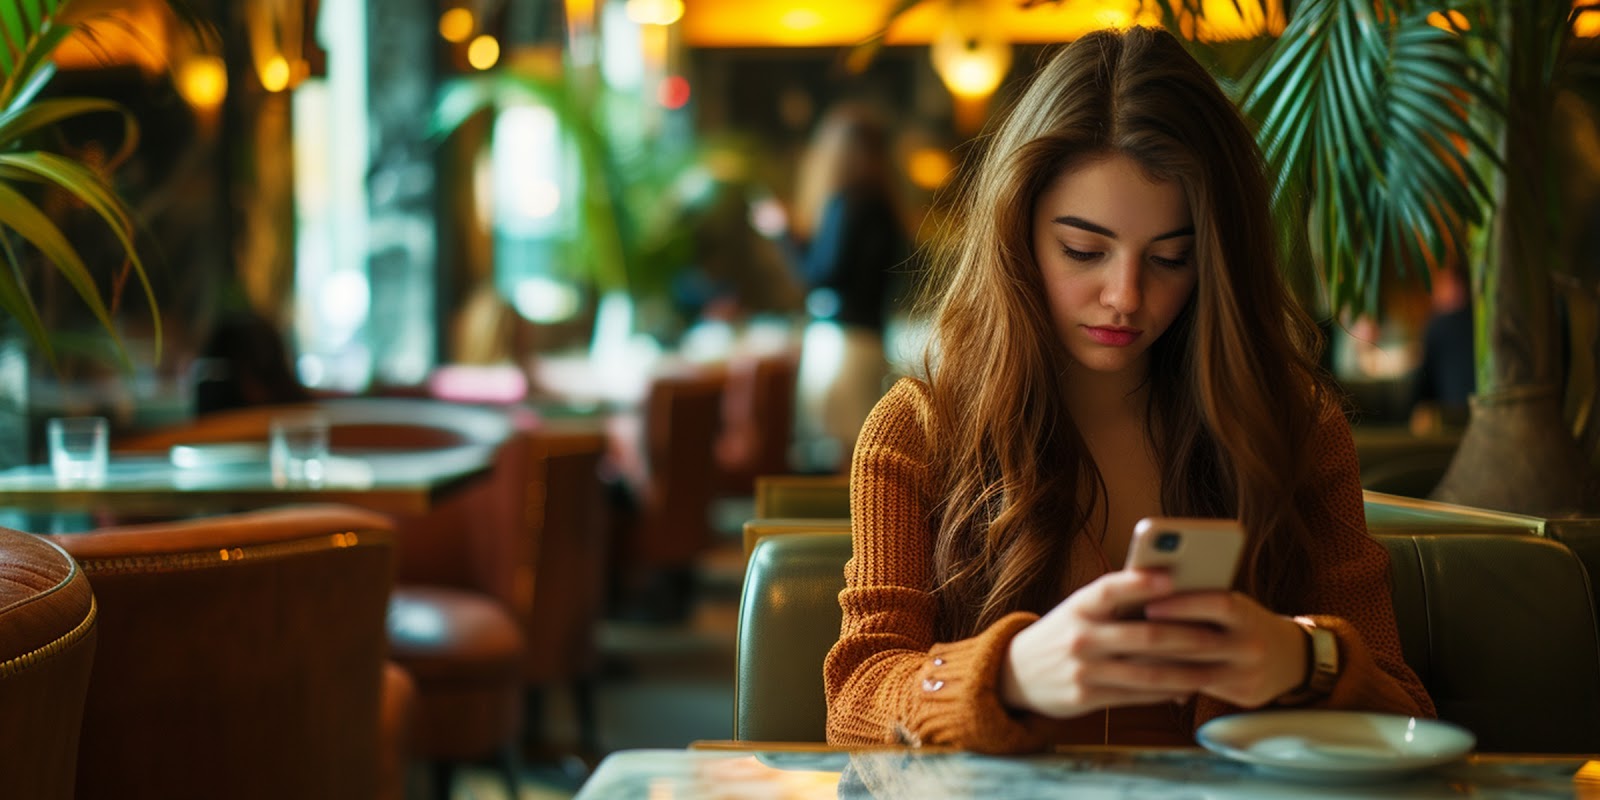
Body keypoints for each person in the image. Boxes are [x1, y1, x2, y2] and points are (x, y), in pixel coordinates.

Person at [823, 27, 1434, 752]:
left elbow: (1406, 711)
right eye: (1084, 251)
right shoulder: (920, 430)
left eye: (1172, 258)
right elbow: (854, 701)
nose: (1126, 295)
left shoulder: (1295, 427)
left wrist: (1304, 659)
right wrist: (1008, 675)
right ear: (1017, 234)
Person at [788, 103, 914, 469]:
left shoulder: (847, 204)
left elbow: (823, 276)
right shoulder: (887, 206)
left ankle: (849, 528)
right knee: (861, 448)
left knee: (844, 454)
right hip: (872, 338)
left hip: (841, 341)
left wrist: (784, 237)